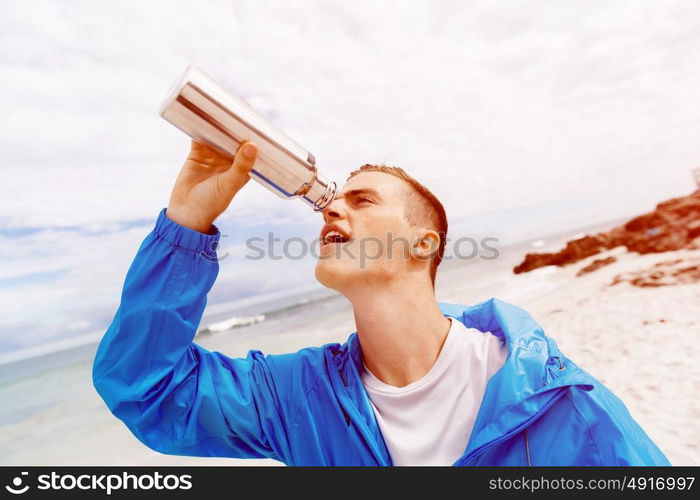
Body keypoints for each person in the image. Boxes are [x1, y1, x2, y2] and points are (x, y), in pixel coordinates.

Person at [92, 139, 671, 466]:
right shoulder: (297, 397)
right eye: (333, 201)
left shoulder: (560, 404)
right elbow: (147, 389)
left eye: (362, 199)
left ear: (425, 244)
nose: (331, 210)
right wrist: (188, 223)